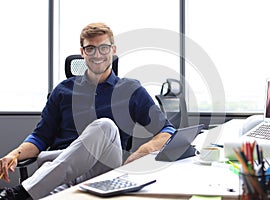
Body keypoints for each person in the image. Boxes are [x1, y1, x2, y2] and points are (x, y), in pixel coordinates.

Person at [0, 22, 175, 200]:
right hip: (57, 169)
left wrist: (141, 152)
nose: (97, 54)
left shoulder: (131, 89)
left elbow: (167, 130)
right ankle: (33, 191)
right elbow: (40, 137)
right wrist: (15, 153)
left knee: (105, 126)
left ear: (113, 50)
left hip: (102, 168)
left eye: (104, 48)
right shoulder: (62, 90)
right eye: (90, 48)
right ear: (83, 52)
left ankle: (21, 193)